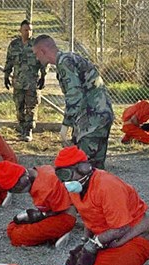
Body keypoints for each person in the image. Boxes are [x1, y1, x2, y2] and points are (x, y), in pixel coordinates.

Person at [53, 146, 149, 265]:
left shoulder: (107, 185)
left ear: (84, 168)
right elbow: (88, 216)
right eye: (61, 175)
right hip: (106, 240)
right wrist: (85, 242)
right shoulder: (77, 188)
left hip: (131, 238)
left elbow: (121, 228)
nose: (65, 181)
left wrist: (92, 245)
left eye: (67, 174)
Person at [32, 35, 114, 169]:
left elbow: (74, 95)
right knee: (96, 169)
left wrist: (66, 125)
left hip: (93, 118)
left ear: (42, 51)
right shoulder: (68, 59)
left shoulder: (64, 62)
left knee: (83, 167)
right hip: (99, 115)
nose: (36, 58)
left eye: (36, 54)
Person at [0, 160, 77, 247]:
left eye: (15, 187)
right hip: (52, 211)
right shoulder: (39, 171)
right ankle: (50, 234)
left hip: (64, 216)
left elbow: (58, 210)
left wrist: (39, 216)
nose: (17, 190)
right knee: (12, 226)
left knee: (17, 237)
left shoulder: (44, 189)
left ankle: (60, 233)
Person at [3, 20, 46, 142]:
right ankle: (22, 128)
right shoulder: (14, 45)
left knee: (31, 107)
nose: (28, 32)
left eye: (30, 30)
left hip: (32, 82)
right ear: (20, 31)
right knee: (19, 106)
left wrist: (43, 76)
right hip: (18, 82)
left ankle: (28, 130)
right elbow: (9, 60)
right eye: (26, 30)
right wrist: (6, 75)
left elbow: (43, 62)